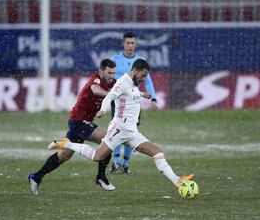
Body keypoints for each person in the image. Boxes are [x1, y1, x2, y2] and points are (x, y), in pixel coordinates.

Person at [48, 59, 194, 189]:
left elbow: (130, 94)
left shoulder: (132, 83)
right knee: (97, 156)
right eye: (142, 76)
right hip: (119, 129)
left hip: (131, 132)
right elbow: (111, 96)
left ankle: (177, 180)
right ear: (135, 71)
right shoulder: (123, 82)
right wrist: (103, 110)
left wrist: (143, 94)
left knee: (157, 152)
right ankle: (66, 144)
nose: (143, 79)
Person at [28, 59, 117, 195]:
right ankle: (100, 177)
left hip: (84, 122)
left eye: (113, 73)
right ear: (101, 71)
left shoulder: (114, 83)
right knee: (108, 140)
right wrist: (111, 94)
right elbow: (95, 90)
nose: (112, 76)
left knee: (64, 155)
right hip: (78, 121)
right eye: (109, 73)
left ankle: (36, 176)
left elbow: (116, 95)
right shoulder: (96, 80)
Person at [110, 32, 158, 174]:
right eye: (128, 43)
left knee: (131, 130)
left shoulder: (140, 61)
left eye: (132, 43)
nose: (130, 46)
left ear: (135, 44)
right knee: (117, 129)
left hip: (134, 100)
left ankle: (125, 164)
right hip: (118, 101)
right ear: (123, 44)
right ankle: (116, 162)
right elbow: (109, 77)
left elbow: (148, 80)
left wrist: (154, 98)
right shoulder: (115, 60)